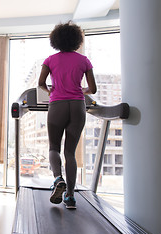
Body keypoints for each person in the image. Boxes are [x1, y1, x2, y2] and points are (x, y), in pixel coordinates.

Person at [38, 21, 97, 209]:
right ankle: (70, 196)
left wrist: (50, 90)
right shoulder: (84, 60)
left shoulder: (50, 60)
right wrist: (81, 91)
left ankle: (58, 179)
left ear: (56, 40)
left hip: (57, 104)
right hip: (78, 105)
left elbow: (41, 83)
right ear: (76, 40)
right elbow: (92, 89)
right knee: (70, 152)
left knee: (54, 148)